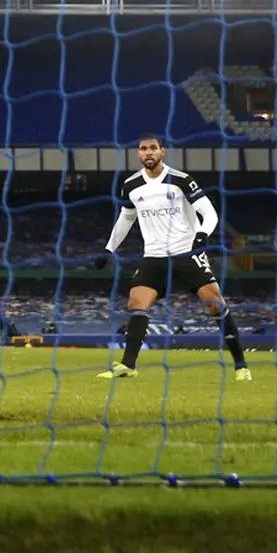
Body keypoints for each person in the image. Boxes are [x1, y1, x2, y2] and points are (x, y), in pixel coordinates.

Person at [96, 134, 250, 381]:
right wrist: (108, 249)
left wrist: (201, 234)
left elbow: (209, 212)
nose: (148, 152)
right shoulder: (131, 185)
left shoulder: (180, 180)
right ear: (138, 153)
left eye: (153, 148)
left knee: (215, 305)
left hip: (186, 253)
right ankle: (128, 366)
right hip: (154, 256)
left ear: (162, 152)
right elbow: (126, 219)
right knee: (136, 302)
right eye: (143, 148)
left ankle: (241, 366)